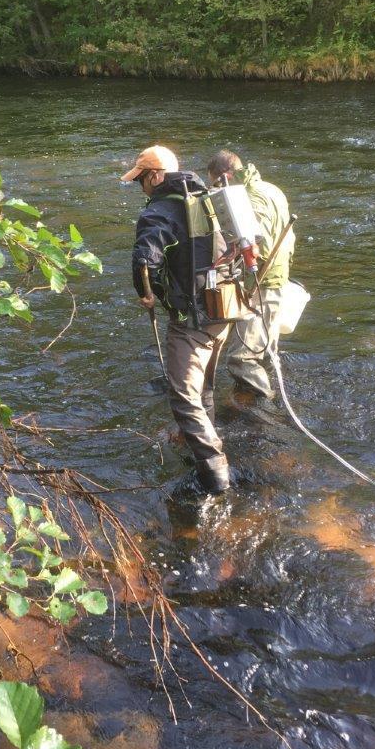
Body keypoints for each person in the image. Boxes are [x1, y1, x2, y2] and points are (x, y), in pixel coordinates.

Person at [121, 145, 231, 494]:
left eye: (141, 180)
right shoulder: (203, 196)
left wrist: (145, 293)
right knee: (205, 388)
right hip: (223, 307)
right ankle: (199, 441)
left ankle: (216, 477)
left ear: (155, 176)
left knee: (183, 397)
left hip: (192, 319)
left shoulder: (161, 210)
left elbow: (144, 259)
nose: (141, 188)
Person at [207, 150, 295, 400]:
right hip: (277, 278)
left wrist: (228, 260)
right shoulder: (271, 188)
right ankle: (259, 395)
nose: (216, 191)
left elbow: (259, 245)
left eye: (215, 184)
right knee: (265, 348)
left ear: (227, 176)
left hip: (263, 283)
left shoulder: (250, 199)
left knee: (242, 357)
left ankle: (262, 411)